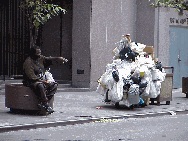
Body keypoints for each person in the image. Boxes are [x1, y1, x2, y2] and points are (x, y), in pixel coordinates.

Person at [23, 45, 68, 114]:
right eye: (37, 54)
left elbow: (48, 59)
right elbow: (31, 76)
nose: (39, 55)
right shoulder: (28, 62)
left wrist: (58, 58)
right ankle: (45, 104)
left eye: (40, 53)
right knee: (40, 85)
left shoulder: (40, 58)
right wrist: (42, 81)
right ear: (32, 54)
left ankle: (43, 101)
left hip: (40, 79)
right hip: (30, 81)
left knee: (54, 85)